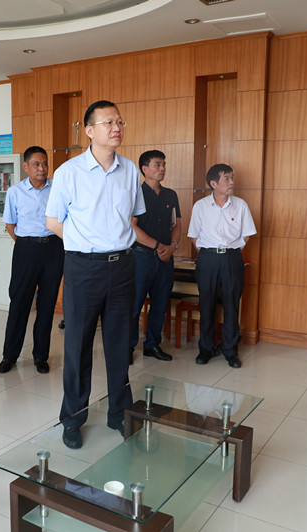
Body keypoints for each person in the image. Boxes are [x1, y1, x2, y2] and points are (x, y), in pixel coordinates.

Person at [46, 100, 145, 449]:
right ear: (89, 130)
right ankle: (73, 419)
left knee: (120, 344)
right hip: (83, 267)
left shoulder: (129, 169)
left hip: (123, 265)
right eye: (108, 122)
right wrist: (84, 241)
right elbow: (53, 222)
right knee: (77, 345)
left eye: (120, 121)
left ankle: (120, 414)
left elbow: (133, 216)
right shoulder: (69, 172)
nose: (116, 128)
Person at [0, 146, 64, 375]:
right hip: (26, 249)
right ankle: (9, 356)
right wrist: (26, 244)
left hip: (54, 248)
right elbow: (10, 225)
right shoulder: (15, 192)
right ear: (26, 166)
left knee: (47, 305)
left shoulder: (57, 188)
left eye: (45, 163)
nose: (42, 168)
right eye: (36, 164)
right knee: (19, 303)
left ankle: (41, 356)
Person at [187, 164, 256, 369]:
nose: (231, 182)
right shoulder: (200, 206)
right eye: (227, 178)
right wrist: (209, 253)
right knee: (206, 303)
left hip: (232, 258)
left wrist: (231, 251)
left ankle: (230, 351)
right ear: (213, 183)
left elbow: (247, 235)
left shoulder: (240, 205)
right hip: (207, 258)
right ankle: (206, 349)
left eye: (232, 177)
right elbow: (194, 236)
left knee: (231, 305)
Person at [129, 150, 181, 363]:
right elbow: (132, 227)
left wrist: (172, 247)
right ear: (144, 169)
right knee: (134, 304)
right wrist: (159, 246)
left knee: (160, 303)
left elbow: (176, 225)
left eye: (164, 164)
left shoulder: (171, 195)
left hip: (166, 258)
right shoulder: (135, 193)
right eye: (157, 164)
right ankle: (127, 347)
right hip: (141, 258)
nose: (162, 168)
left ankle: (152, 344)